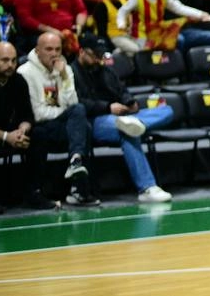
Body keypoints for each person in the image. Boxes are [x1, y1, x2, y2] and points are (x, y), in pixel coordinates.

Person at [71, 34, 173, 202]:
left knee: (167, 110)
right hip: (96, 120)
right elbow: (77, 102)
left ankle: (136, 122)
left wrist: (130, 103)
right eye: (95, 55)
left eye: (101, 55)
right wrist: (107, 107)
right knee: (128, 133)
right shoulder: (71, 73)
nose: (99, 59)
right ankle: (147, 188)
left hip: (122, 116)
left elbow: (122, 91)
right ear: (82, 52)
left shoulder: (106, 70)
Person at [18, 31, 100, 206]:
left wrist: (63, 76)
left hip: (59, 125)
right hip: (39, 125)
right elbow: (37, 113)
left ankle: (77, 181)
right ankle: (77, 182)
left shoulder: (65, 69)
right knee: (77, 120)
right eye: (49, 49)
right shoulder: (25, 72)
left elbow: (73, 103)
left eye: (58, 49)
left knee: (84, 125)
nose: (54, 54)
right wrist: (65, 111)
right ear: (37, 51)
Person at [0, 41, 53, 212]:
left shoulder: (18, 81)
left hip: (11, 133)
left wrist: (22, 130)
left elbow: (27, 115)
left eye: (13, 60)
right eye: (4, 60)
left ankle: (34, 192)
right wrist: (5, 136)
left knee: (40, 134)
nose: (10, 65)